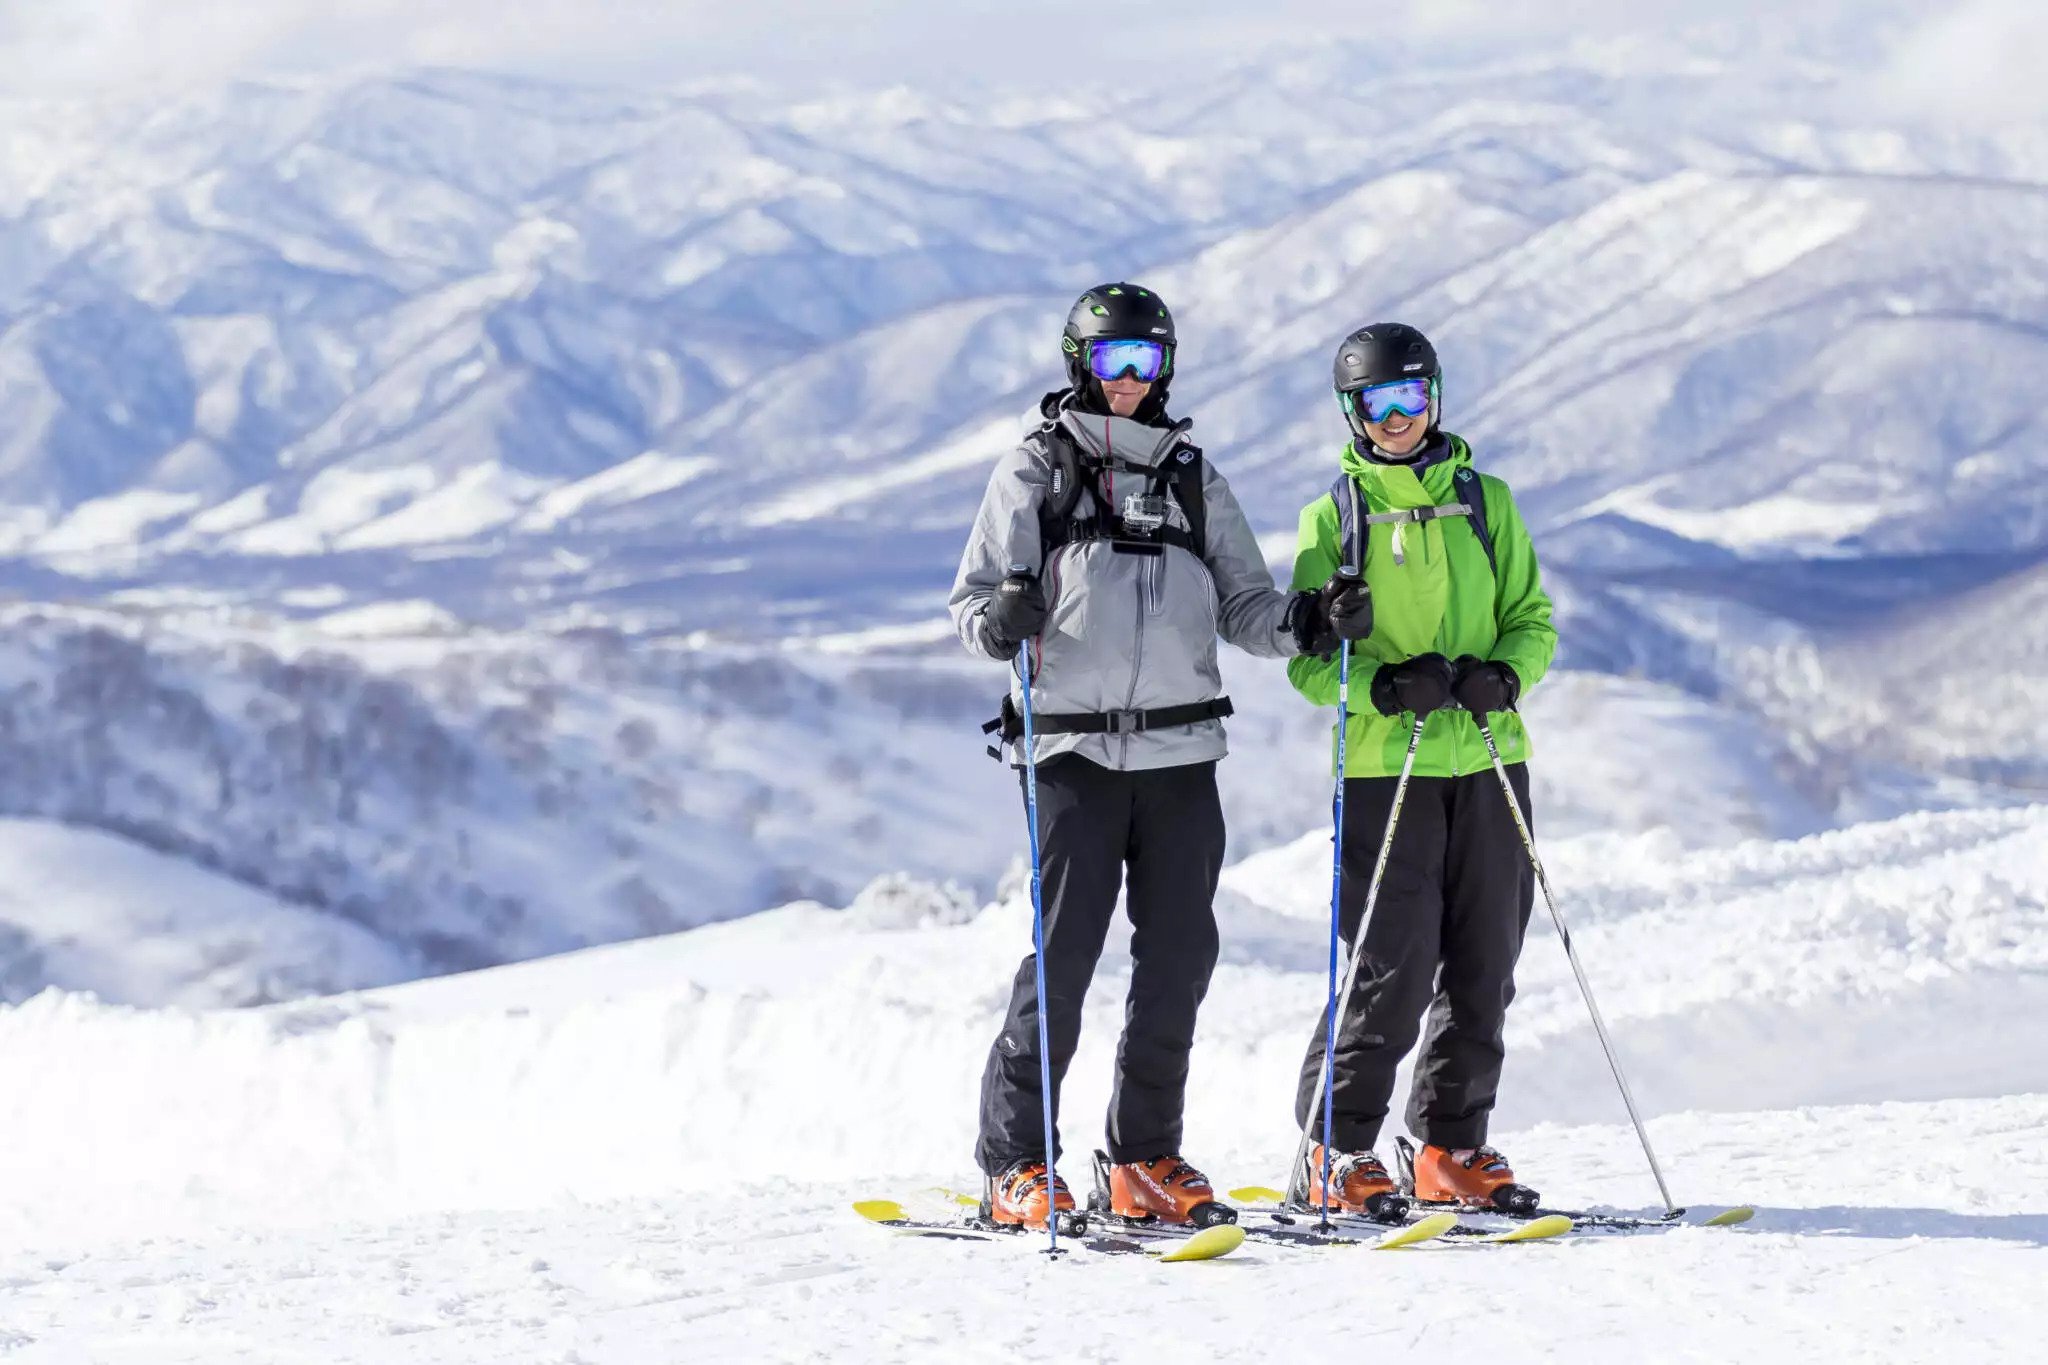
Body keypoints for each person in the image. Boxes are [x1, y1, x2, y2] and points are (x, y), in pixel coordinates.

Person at [949, 283, 1370, 1229]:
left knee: (1179, 955)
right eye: (1113, 362)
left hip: (1182, 753)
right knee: (1064, 957)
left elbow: (1247, 607)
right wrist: (1000, 621)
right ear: (1078, 364)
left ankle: (1142, 1155)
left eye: (1146, 361)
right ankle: (1016, 1162)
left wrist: (1308, 622)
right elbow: (972, 603)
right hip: (1071, 756)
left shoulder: (1191, 475)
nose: (1131, 379)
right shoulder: (1037, 469)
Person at [1285, 322, 1556, 1215]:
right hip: (1385, 765)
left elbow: (1533, 617)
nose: (1397, 417)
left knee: (1487, 958)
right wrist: (1384, 686)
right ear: (1352, 413)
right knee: (1391, 963)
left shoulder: (1488, 501)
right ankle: (1335, 1147)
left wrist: (1506, 674)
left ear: (1434, 396)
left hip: (1486, 755)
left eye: (1410, 397)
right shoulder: (1335, 518)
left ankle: (1450, 1144)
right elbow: (1307, 659)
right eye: (1377, 403)